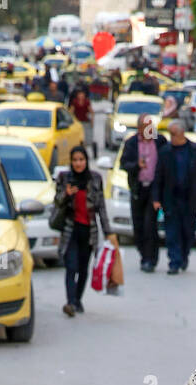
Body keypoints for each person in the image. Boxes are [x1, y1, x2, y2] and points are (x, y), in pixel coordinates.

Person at [53, 145, 115, 316]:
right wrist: (65, 194)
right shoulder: (64, 178)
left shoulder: (95, 179)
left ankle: (78, 299)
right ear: (71, 162)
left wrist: (108, 231)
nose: (78, 163)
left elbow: (101, 207)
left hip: (89, 232)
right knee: (70, 267)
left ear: (86, 161)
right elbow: (56, 203)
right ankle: (70, 303)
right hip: (70, 230)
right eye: (75, 160)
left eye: (81, 160)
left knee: (83, 268)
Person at [152, 121, 196, 275]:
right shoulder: (165, 152)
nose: (172, 137)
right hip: (171, 198)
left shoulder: (195, 151)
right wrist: (156, 198)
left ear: (182, 133)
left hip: (190, 199)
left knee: (188, 231)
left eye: (174, 134)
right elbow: (159, 176)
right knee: (172, 231)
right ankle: (174, 261)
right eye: (170, 134)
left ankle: (184, 255)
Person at [121, 113, 167, 272]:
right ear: (140, 127)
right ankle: (143, 254)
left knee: (150, 225)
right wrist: (136, 165)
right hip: (138, 188)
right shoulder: (131, 143)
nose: (149, 128)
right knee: (139, 225)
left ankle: (150, 259)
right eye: (145, 125)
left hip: (154, 190)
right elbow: (124, 164)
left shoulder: (160, 141)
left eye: (151, 125)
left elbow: (167, 162)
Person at [69, 82, 94, 156]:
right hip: (78, 122)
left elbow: (91, 112)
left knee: (86, 138)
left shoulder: (87, 102)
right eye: (80, 94)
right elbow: (71, 111)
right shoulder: (75, 102)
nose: (81, 96)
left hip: (85, 122)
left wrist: (92, 121)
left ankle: (84, 151)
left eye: (82, 94)